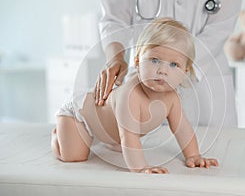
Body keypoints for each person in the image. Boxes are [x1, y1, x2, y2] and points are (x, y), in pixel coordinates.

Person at [51, 18, 219, 174]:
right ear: (137, 62)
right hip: (79, 115)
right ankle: (58, 135)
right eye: (154, 60)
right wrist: (140, 168)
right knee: (74, 156)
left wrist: (193, 155)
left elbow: (182, 128)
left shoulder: (172, 98)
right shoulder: (130, 95)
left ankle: (104, 139)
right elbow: (129, 136)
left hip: (111, 130)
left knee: (119, 143)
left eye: (174, 64)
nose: (162, 70)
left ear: (184, 72)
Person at [95, 0, 242, 128]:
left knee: (216, 151)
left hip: (205, 81)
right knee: (142, 144)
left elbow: (218, 30)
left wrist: (171, 64)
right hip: (143, 81)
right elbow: (114, 18)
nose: (163, 71)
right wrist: (115, 58)